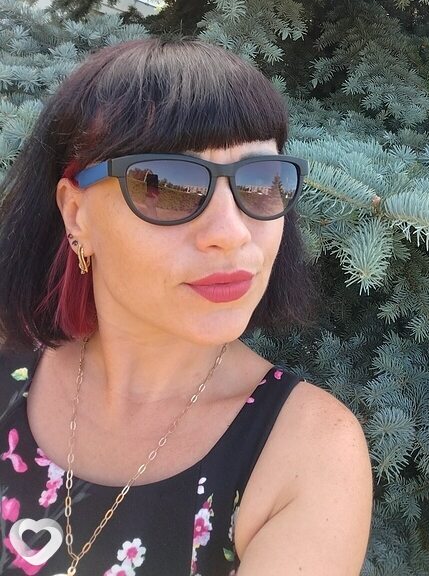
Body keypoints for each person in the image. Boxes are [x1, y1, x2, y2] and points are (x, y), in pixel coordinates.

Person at [0, 37, 374, 576]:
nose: (232, 232)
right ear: (77, 213)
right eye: (167, 185)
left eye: (259, 183)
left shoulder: (307, 453)